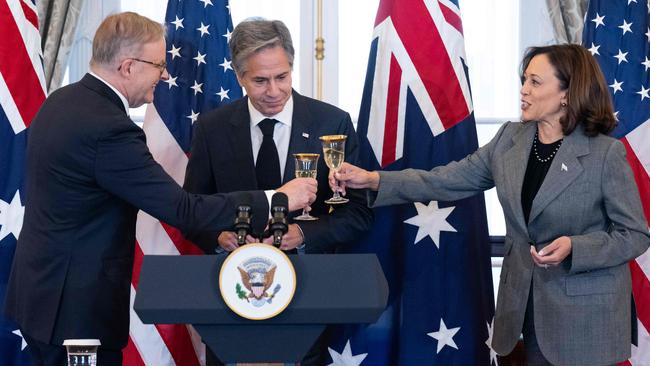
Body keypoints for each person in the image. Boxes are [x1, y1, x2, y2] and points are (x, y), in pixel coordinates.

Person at [3, 12, 316, 366]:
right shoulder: (108, 128)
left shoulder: (63, 101)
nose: (166, 75)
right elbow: (183, 209)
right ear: (128, 66)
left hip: (42, 297)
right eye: (158, 64)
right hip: (77, 312)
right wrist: (277, 198)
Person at [330, 44, 650, 366]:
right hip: (523, 311)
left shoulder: (605, 154)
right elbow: (445, 179)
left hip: (585, 322)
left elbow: (635, 234)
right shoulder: (510, 139)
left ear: (567, 93)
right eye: (523, 80)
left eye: (535, 82)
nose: (523, 90)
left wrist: (575, 247)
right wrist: (374, 179)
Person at [182, 18, 373, 365]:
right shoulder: (213, 128)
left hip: (307, 295)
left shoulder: (333, 124)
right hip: (232, 294)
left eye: (282, 77)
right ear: (240, 77)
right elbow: (192, 209)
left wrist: (302, 234)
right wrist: (220, 235)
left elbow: (358, 212)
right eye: (259, 80)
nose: (273, 91)